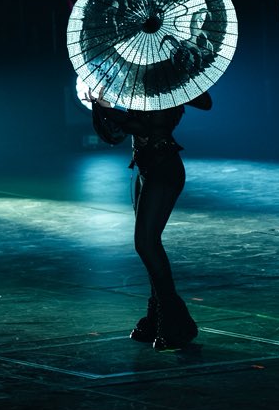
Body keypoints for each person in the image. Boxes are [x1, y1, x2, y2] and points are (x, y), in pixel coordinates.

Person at [85, 83, 213, 351]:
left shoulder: (168, 82)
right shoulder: (138, 82)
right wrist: (105, 105)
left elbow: (147, 127)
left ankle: (177, 322)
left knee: (145, 243)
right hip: (144, 168)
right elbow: (122, 131)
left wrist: (107, 109)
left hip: (164, 169)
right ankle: (157, 318)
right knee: (148, 244)